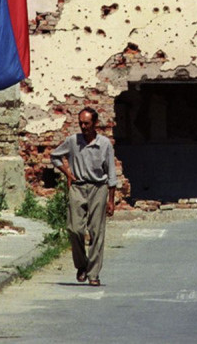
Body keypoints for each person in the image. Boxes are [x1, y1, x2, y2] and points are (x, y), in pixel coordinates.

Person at [51, 107, 117, 286]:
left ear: (95, 123)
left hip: (98, 188)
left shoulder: (104, 144)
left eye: (87, 123)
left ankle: (93, 274)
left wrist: (111, 201)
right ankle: (82, 264)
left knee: (97, 231)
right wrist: (67, 173)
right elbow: (55, 156)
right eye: (80, 123)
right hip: (78, 187)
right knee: (74, 229)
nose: (83, 126)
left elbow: (111, 173)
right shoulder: (73, 141)